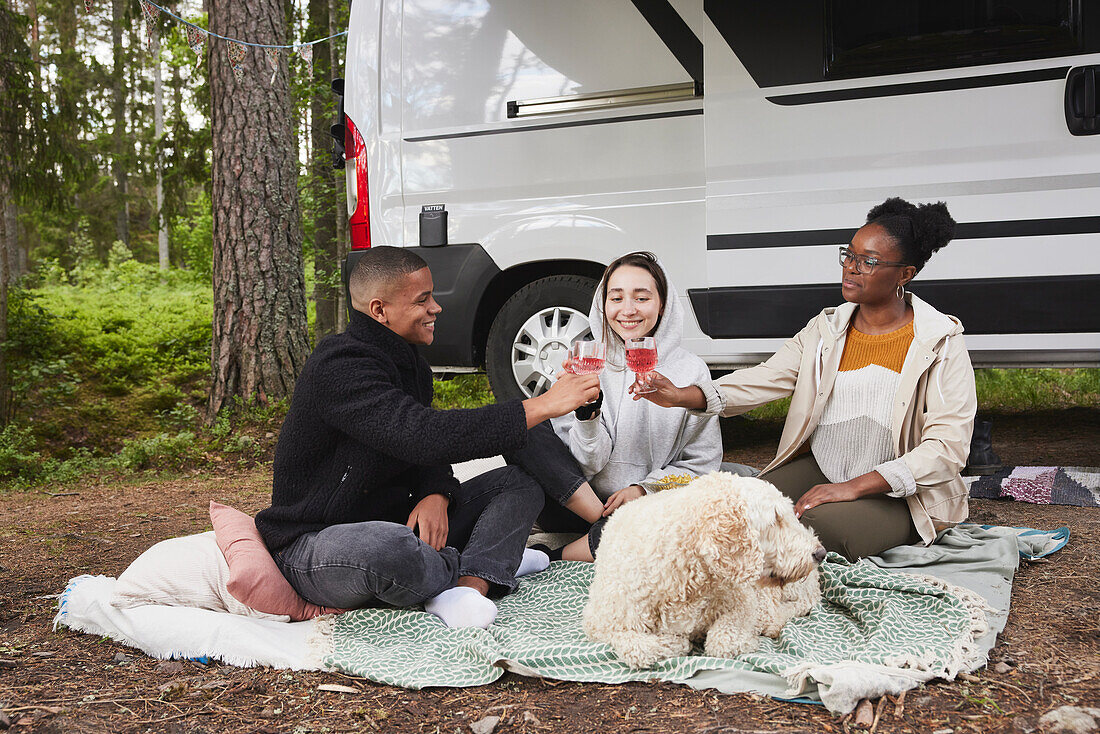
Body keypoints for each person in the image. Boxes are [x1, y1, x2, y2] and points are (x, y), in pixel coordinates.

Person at [255, 246, 599, 628]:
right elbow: (420, 435)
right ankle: (493, 561)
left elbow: (420, 448)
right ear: (379, 310)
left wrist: (436, 492)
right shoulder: (340, 365)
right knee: (388, 548)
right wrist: (543, 405)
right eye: (422, 299)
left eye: (432, 295)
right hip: (318, 543)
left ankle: (469, 587)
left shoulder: (411, 361)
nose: (436, 308)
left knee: (518, 484)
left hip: (403, 524)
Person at [636, 198, 977, 560]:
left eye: (869, 261)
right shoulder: (826, 329)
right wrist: (681, 395)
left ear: (905, 274)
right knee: (739, 509)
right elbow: (765, 378)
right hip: (824, 465)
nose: (851, 268)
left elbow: (947, 448)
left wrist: (853, 488)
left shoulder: (939, 341)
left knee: (814, 528)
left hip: (901, 493)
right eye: (849, 255)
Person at [507, 252, 722, 562]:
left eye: (642, 298)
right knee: (522, 421)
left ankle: (552, 556)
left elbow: (703, 464)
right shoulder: (586, 363)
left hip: (647, 509)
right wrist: (587, 413)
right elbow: (585, 463)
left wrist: (644, 490)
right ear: (602, 305)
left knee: (682, 515)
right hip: (576, 502)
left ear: (663, 304)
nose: (628, 310)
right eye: (616, 298)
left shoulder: (691, 371)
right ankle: (605, 526)